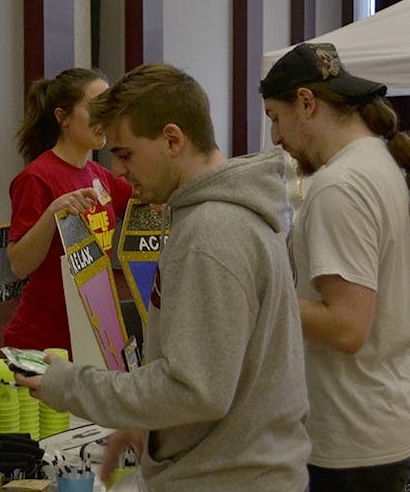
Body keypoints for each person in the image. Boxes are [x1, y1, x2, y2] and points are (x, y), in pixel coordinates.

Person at [16, 63, 311, 491]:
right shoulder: (218, 219)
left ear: (172, 140)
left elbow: (195, 390)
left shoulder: (210, 234)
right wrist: (149, 425)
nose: (118, 170)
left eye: (126, 154)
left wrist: (71, 385)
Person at [260, 42, 410, 491]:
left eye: (275, 118)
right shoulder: (385, 164)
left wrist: (260, 294)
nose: (276, 138)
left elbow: (347, 328)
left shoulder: (338, 186)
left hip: (355, 436)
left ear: (306, 103)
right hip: (390, 415)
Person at [4, 68, 132, 358]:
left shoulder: (101, 176)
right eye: (94, 108)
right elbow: (19, 265)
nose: (104, 118)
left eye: (108, 107)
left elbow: (149, 198)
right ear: (63, 118)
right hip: (43, 338)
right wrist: (54, 212)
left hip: (94, 332)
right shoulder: (36, 178)